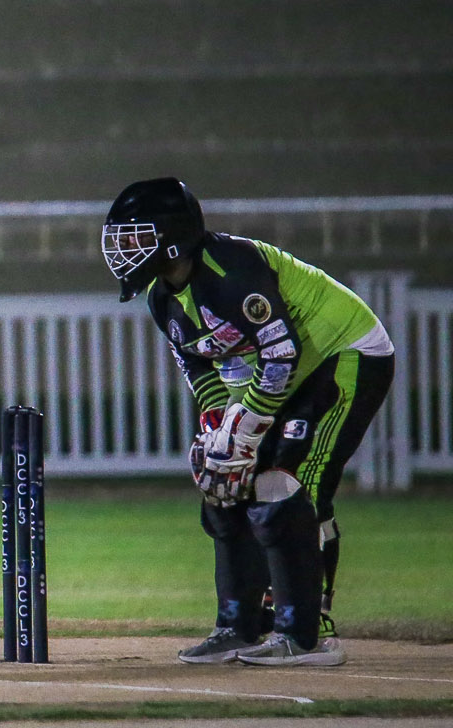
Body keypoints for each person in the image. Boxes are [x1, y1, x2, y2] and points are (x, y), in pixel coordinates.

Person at [102, 177, 394, 667]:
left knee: (293, 486)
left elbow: (281, 354)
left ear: (173, 236)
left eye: (136, 238)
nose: (124, 251)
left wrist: (248, 428)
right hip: (283, 374)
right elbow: (202, 368)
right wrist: (221, 431)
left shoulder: (231, 272)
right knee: (227, 487)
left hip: (343, 353)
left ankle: (308, 633)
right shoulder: (162, 299)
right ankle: (240, 626)